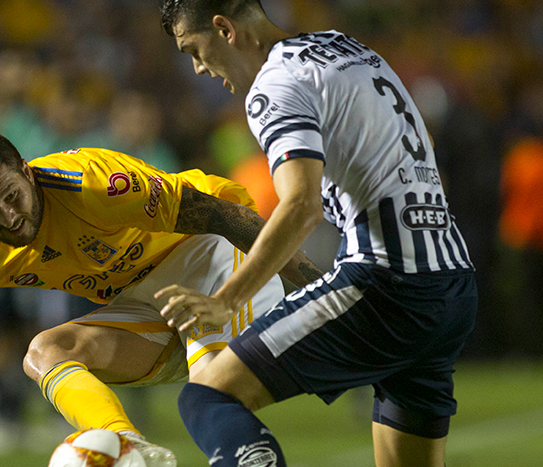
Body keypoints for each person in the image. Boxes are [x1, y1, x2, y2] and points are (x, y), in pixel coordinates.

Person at [0, 130, 324, 467]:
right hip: (145, 300)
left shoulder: (94, 185)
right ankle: (127, 451)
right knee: (44, 351)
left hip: (211, 255)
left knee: (210, 392)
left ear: (28, 173)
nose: (8, 216)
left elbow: (223, 217)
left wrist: (323, 292)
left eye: (12, 195)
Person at [156, 1, 478, 466]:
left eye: (194, 49)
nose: (198, 68)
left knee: (208, 397)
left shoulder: (275, 83)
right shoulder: (344, 48)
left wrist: (225, 299)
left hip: (386, 283)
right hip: (452, 281)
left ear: (224, 29)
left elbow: (301, 205)